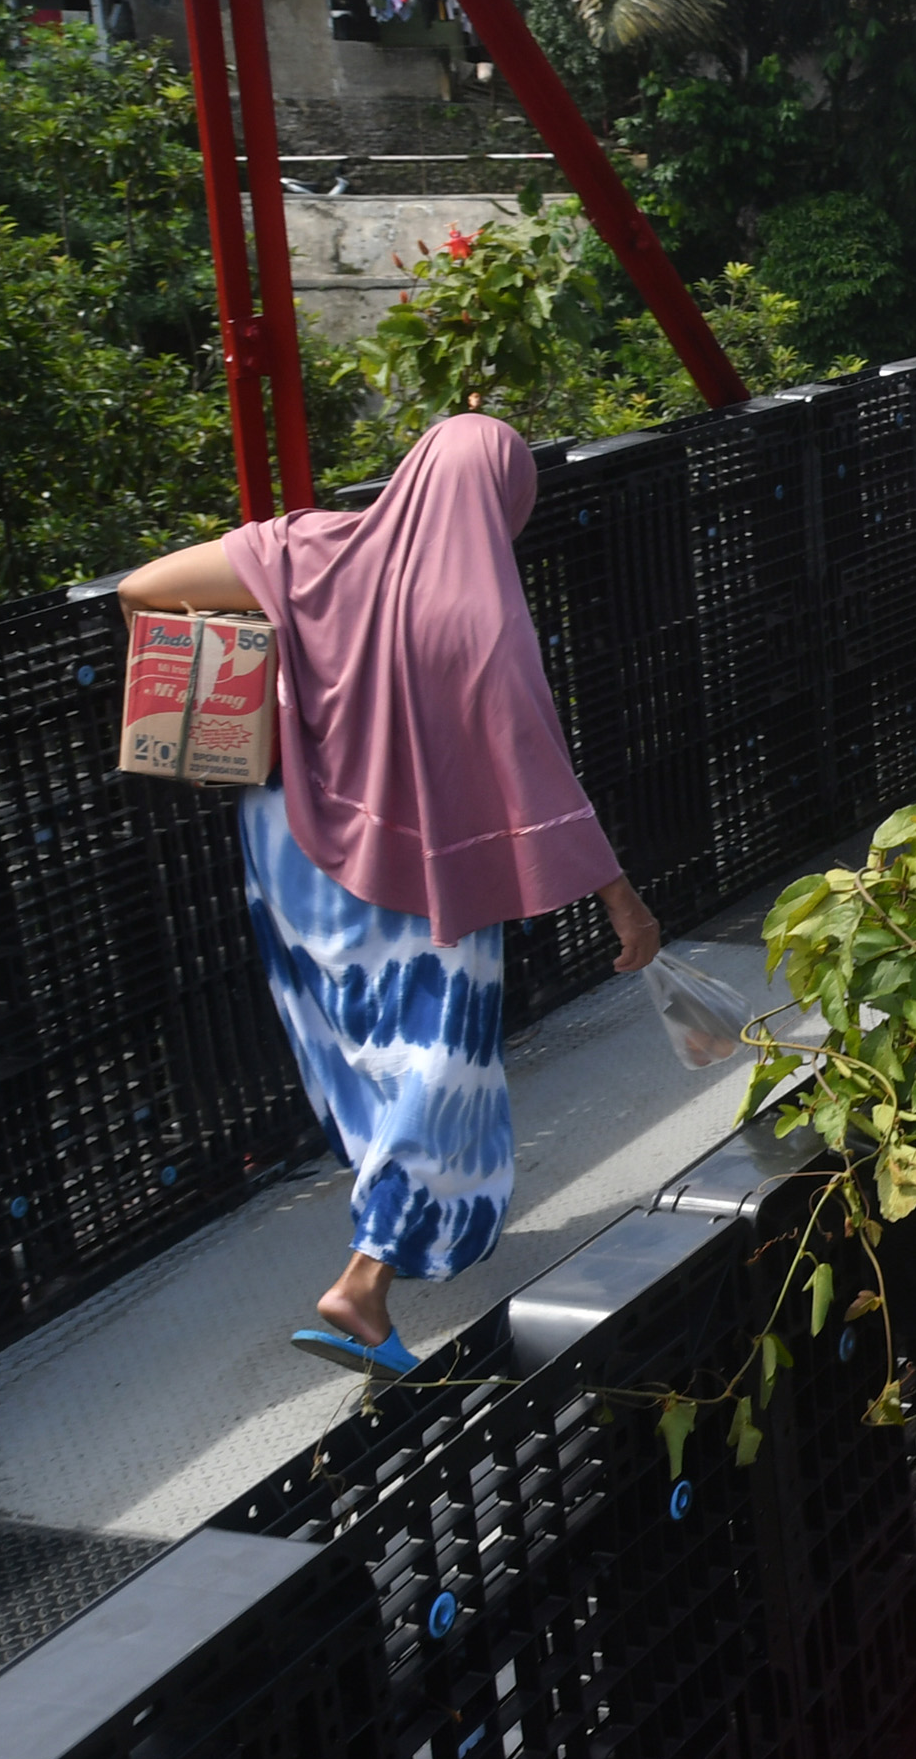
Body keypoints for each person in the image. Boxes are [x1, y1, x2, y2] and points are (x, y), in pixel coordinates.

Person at [117, 414, 659, 1378]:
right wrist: (623, 899)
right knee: (438, 1055)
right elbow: (534, 765)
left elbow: (139, 591)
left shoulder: (308, 544)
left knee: (366, 1045)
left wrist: (224, 689)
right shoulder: (479, 609)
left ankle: (385, 1230)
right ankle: (364, 1280)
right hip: (419, 867)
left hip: (291, 846)